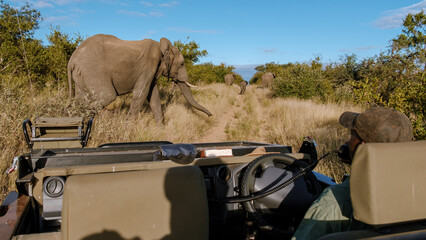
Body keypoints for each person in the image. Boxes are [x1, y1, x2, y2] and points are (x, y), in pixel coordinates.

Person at [291, 107, 413, 240]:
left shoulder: (337, 199)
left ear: (363, 146)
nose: (347, 142)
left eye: (352, 135)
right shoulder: (415, 193)